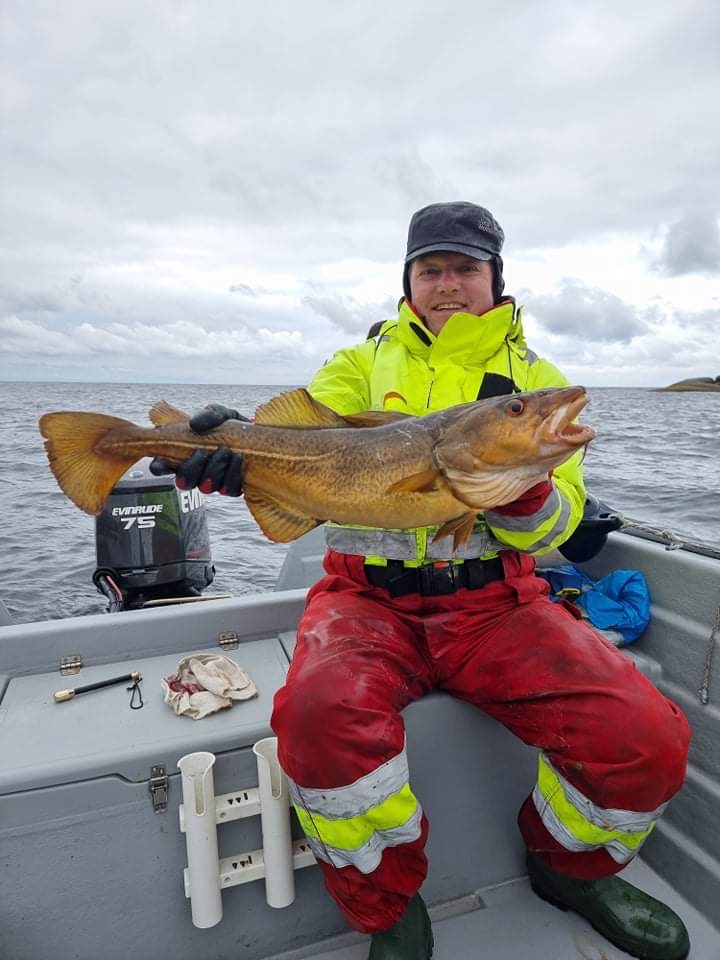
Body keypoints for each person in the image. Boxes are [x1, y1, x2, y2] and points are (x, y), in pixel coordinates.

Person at [151, 202, 691, 960]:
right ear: (407, 280)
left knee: (644, 734)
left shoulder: (536, 382)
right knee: (315, 719)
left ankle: (572, 870)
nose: (447, 284)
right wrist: (229, 446)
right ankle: (389, 910)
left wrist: (526, 483)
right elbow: (300, 442)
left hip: (496, 604)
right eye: (430, 269)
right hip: (364, 600)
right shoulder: (358, 364)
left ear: (494, 279)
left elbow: (556, 528)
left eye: (465, 268)